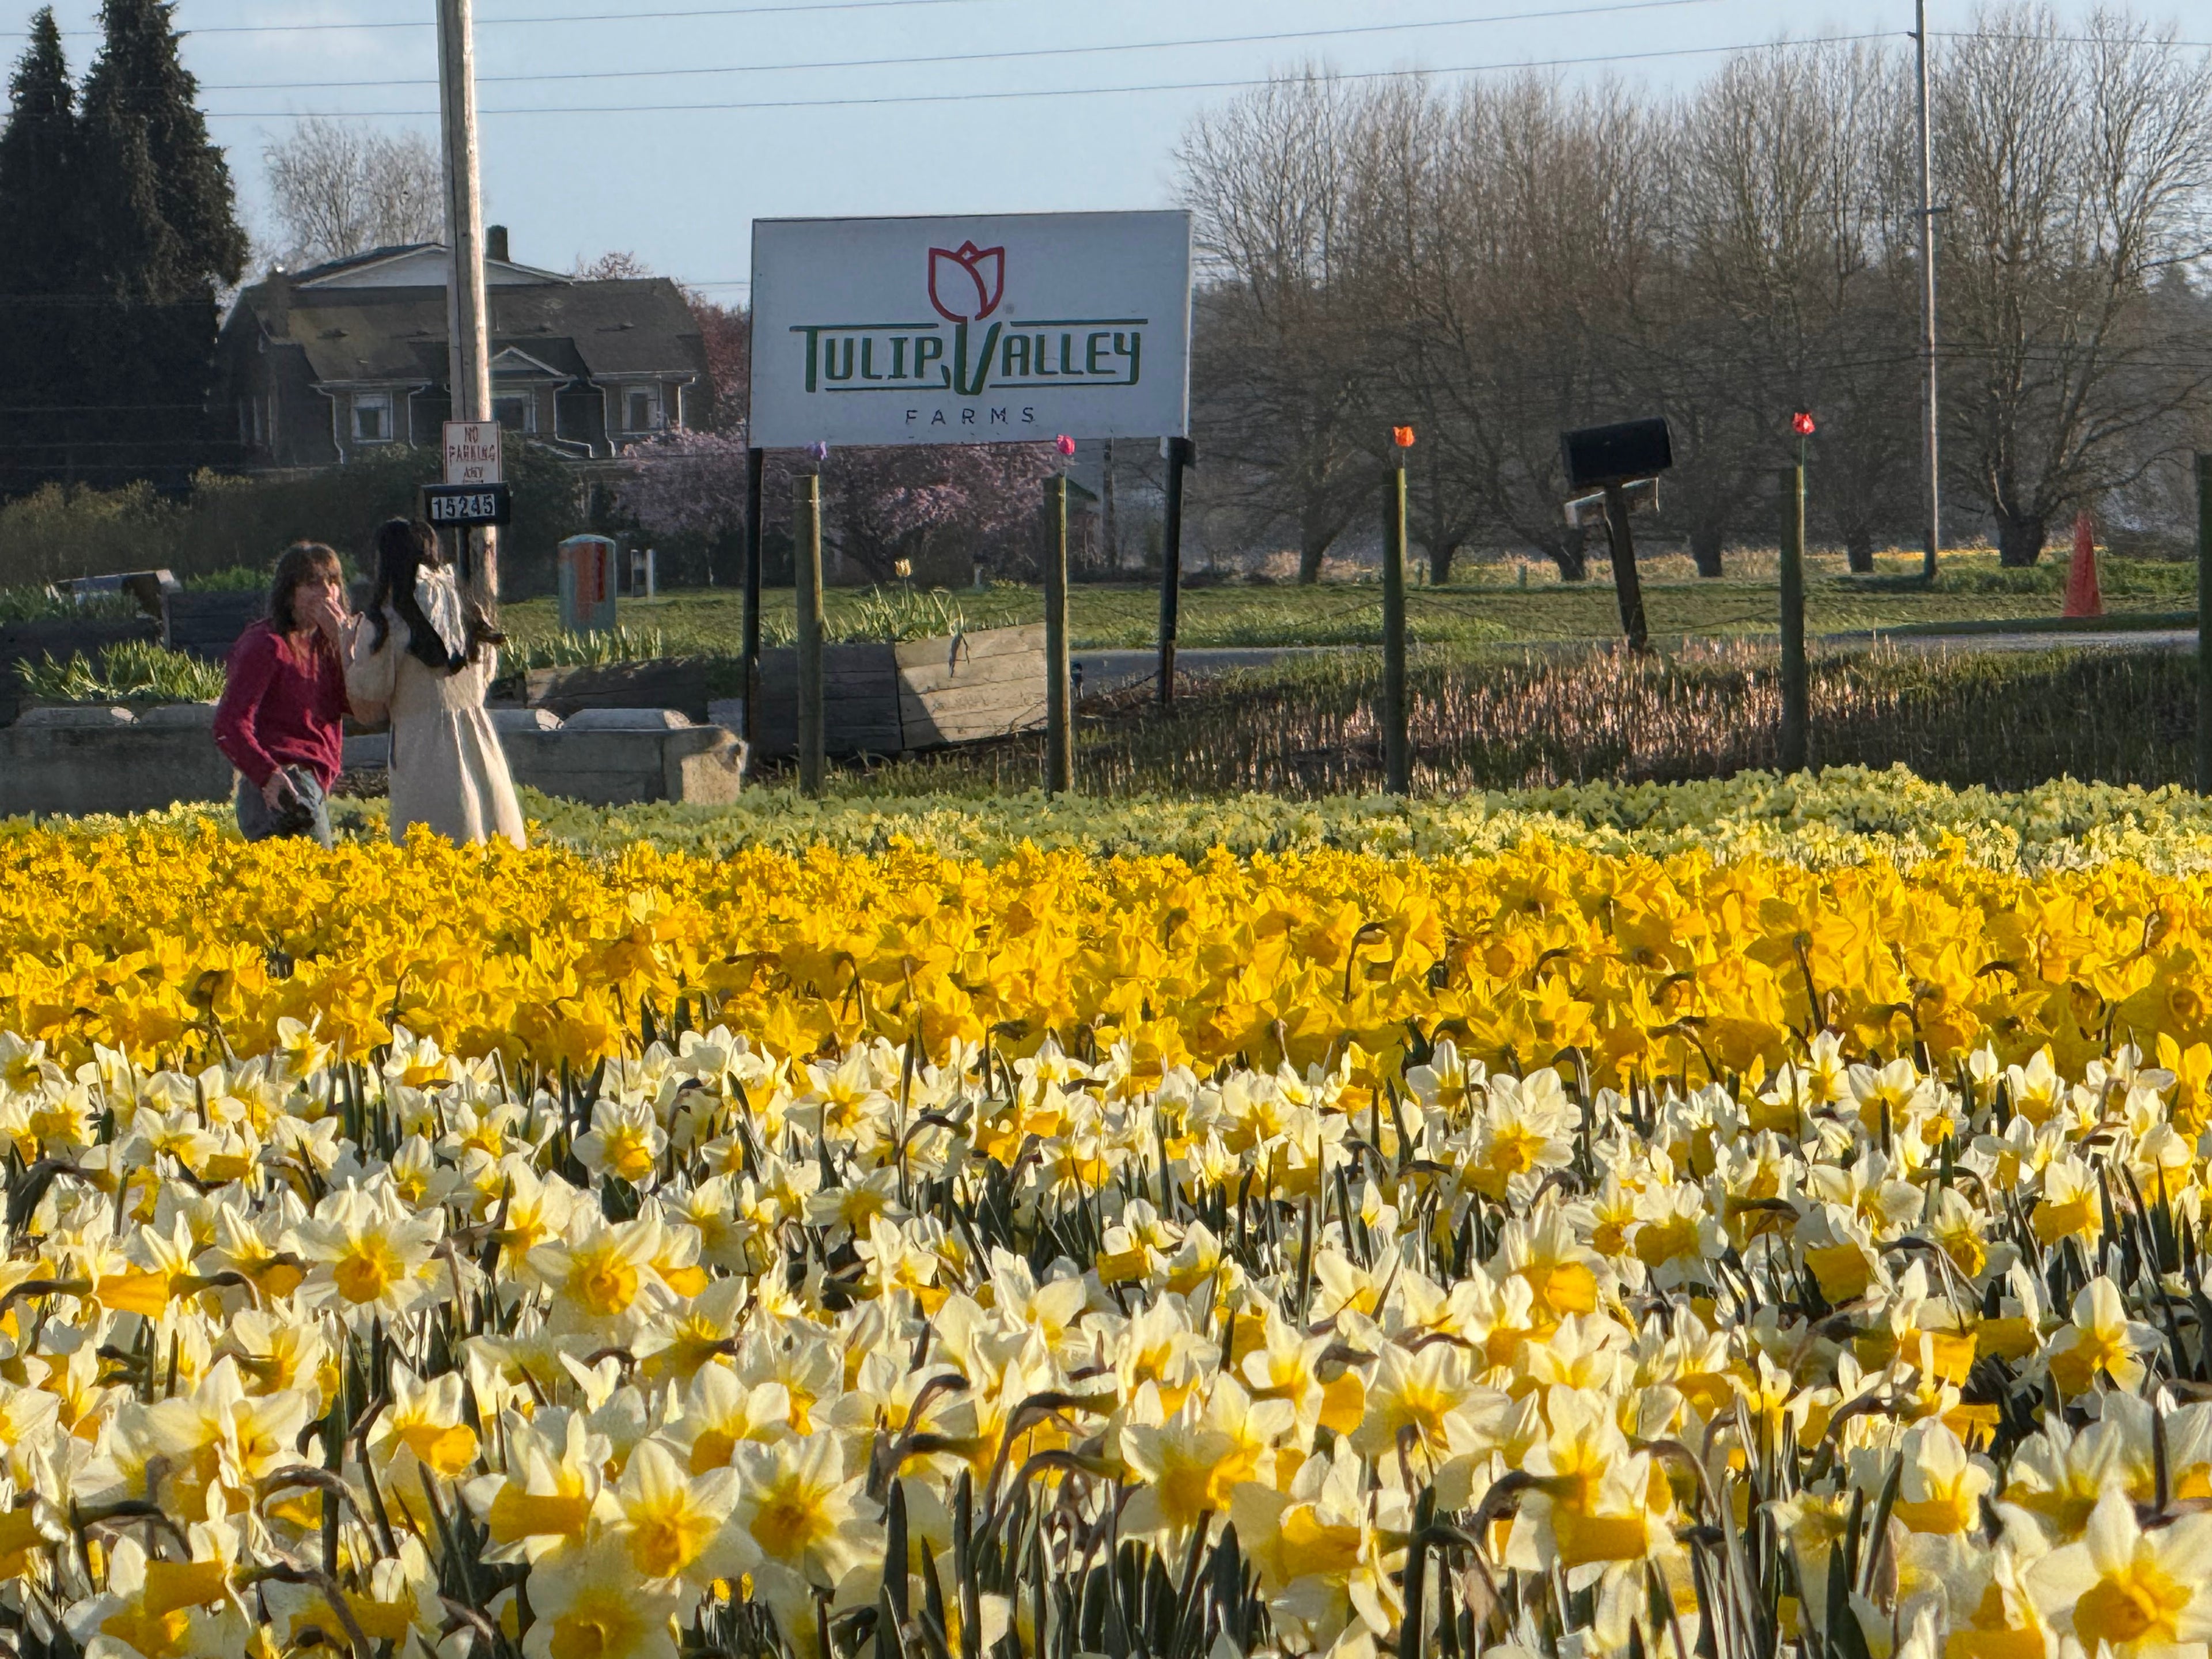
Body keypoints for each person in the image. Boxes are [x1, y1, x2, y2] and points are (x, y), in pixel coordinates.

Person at [346, 517, 526, 849]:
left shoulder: (386, 625)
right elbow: (483, 680)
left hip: (423, 749)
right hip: (478, 742)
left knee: (435, 854)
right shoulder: (470, 615)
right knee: (489, 843)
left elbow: (369, 704)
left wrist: (345, 649)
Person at [211, 541, 357, 849]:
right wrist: (268, 775)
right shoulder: (266, 643)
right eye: (312, 584)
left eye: (332, 582)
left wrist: (344, 644)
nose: (327, 592)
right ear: (289, 593)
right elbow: (229, 724)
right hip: (285, 782)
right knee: (315, 884)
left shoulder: (327, 645)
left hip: (314, 780)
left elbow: (357, 704)